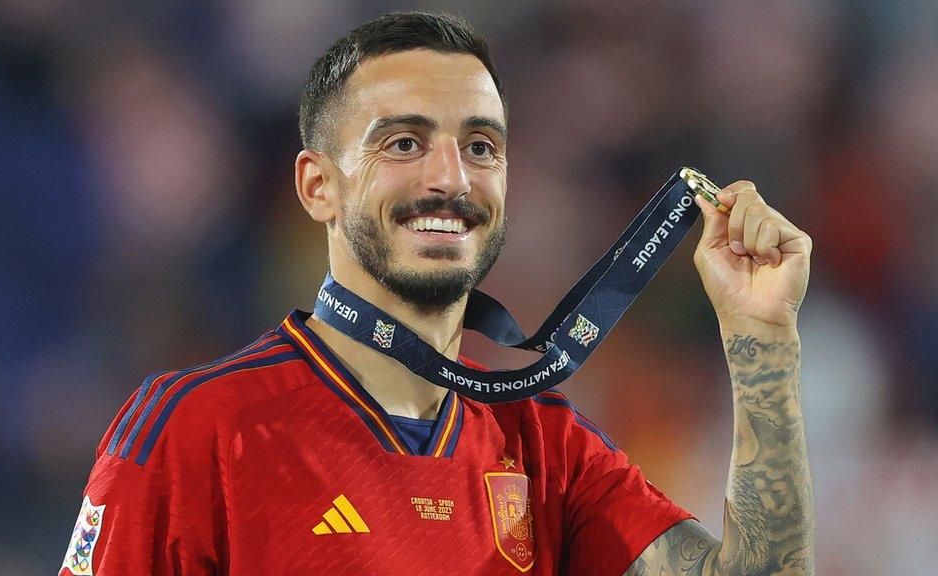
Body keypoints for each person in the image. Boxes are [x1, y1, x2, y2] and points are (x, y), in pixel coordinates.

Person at [59, 11, 814, 576]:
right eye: (403, 142)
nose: (450, 178)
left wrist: (763, 338)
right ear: (317, 186)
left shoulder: (544, 445)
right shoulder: (198, 432)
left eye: (480, 146)